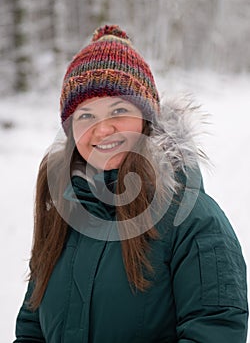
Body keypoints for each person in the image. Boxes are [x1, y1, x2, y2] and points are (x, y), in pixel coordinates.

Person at [13, 24, 248, 343]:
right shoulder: (62, 214)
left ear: (146, 119)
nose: (102, 129)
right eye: (85, 115)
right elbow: (31, 328)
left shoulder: (192, 220)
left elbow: (215, 329)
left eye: (118, 110)